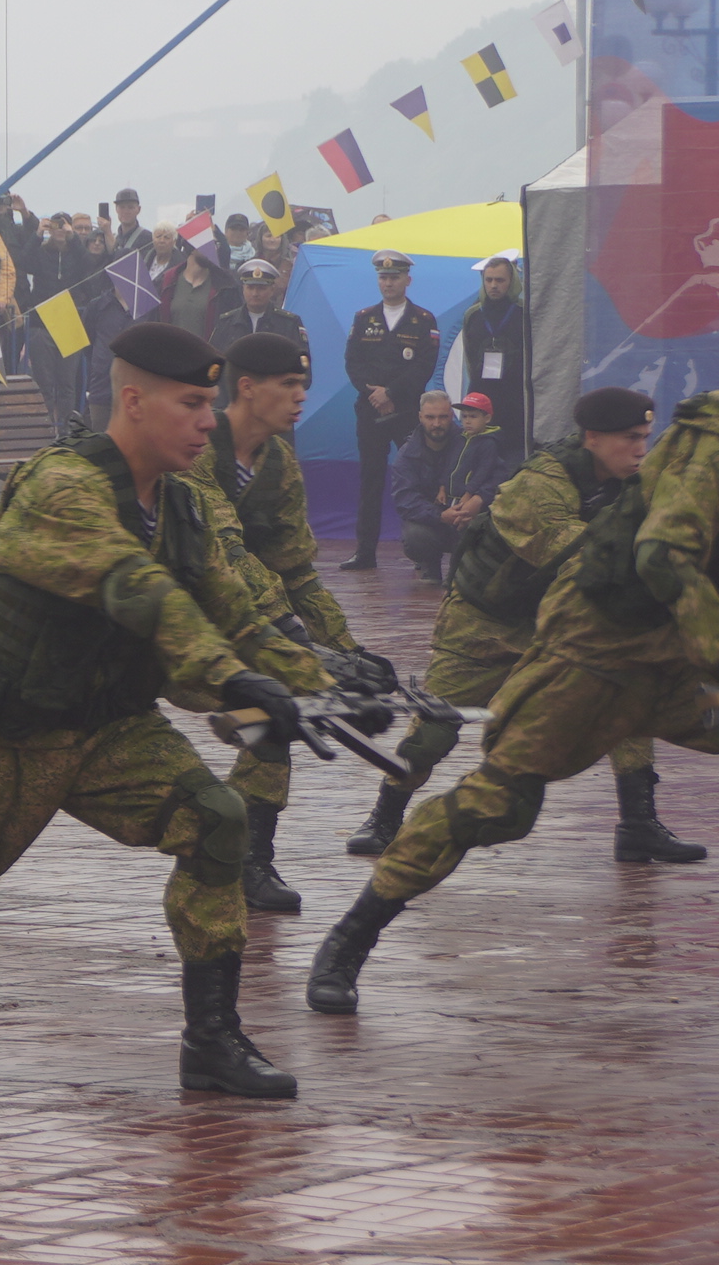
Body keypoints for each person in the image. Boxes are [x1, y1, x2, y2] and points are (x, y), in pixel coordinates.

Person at [307, 308, 719, 1024]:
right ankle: (349, 940)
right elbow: (663, 558)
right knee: (497, 806)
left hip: (684, 664)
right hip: (594, 653)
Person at [0, 323, 332, 1097]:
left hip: (109, 728)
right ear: (132, 400)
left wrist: (323, 683)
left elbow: (243, 609)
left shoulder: (187, 505)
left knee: (217, 819)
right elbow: (138, 590)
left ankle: (212, 1040)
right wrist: (232, 681)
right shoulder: (63, 487)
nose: (206, 422)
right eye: (190, 404)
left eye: (210, 405)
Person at [346, 387, 692, 863]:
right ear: (592, 438)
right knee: (437, 724)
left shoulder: (631, 482)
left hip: (556, 613)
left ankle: (639, 824)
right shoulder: (540, 485)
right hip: (486, 620)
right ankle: (384, 819)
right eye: (630, 438)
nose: (640, 450)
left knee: (626, 691)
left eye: (646, 438)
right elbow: (592, 562)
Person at [180, 332, 395, 913]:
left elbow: (295, 570)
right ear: (247, 388)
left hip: (223, 619)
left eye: (304, 383)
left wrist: (347, 651)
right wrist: (294, 640)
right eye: (289, 385)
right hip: (150, 618)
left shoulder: (277, 462)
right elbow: (225, 552)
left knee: (276, 711)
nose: (302, 396)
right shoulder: (196, 451)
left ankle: (250, 860)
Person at [340, 250, 441, 570]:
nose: (388, 282)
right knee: (370, 481)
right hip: (370, 411)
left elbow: (424, 366)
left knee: (420, 480)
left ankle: (426, 555)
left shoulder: (424, 320)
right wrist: (374, 395)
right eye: (383, 277)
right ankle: (365, 553)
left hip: (409, 410)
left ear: (407, 280)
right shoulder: (363, 317)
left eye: (394, 277)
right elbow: (352, 362)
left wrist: (392, 393)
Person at [393, 391, 506, 583]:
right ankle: (430, 564)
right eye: (430, 417)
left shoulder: (474, 439)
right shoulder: (406, 455)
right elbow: (405, 499)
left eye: (443, 417)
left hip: (470, 515)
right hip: (434, 522)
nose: (437, 424)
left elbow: (500, 474)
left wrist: (478, 499)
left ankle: (467, 568)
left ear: (451, 416)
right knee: (415, 536)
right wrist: (440, 516)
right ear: (420, 417)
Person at [453, 252, 531, 458]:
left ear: (511, 281)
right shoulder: (474, 314)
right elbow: (470, 358)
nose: (494, 285)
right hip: (482, 392)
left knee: (512, 455)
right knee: (480, 453)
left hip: (515, 397)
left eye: (500, 280)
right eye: (489, 280)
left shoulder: (524, 313)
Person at [207, 258, 305, 366]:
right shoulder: (227, 322)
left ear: (272, 290)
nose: (255, 293)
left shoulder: (289, 323)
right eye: (250, 287)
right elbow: (214, 360)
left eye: (261, 288)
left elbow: (301, 364)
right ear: (243, 289)